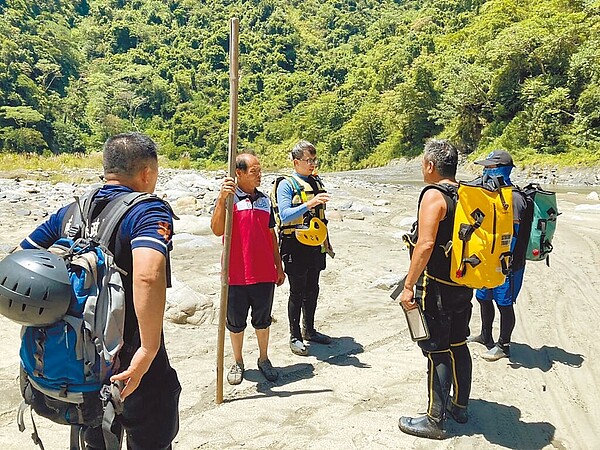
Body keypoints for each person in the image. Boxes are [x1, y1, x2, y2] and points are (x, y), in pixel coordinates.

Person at [19, 132, 181, 449]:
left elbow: (21, 259)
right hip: (132, 357)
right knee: (151, 433)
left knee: (94, 434)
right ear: (147, 172)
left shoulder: (73, 211)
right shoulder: (147, 211)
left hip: (79, 359)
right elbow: (148, 275)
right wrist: (147, 350)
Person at [398, 139, 473, 440]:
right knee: (459, 343)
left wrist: (408, 286)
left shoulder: (434, 195)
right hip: (464, 282)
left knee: (437, 350)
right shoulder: (467, 193)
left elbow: (426, 243)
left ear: (430, 165)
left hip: (438, 287)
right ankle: (461, 406)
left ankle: (435, 420)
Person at [211, 152, 285, 385]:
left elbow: (271, 235)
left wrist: (278, 265)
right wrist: (222, 199)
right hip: (236, 273)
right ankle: (238, 361)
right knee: (235, 322)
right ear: (239, 173)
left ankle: (264, 359)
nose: (259, 175)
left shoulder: (264, 200)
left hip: (263, 272)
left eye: (260, 171)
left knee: (263, 320)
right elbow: (216, 229)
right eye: (254, 172)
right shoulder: (230, 200)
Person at [468, 150, 528, 361]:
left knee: (504, 303)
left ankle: (504, 346)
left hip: (508, 264)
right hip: (488, 261)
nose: (484, 171)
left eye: (489, 167)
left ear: (501, 169)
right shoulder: (491, 194)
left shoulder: (515, 198)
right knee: (483, 298)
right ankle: (486, 335)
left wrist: (505, 262)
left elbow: (514, 235)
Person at [275, 140, 332, 357]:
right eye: (308, 160)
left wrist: (327, 240)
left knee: (313, 289)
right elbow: (285, 214)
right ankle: (295, 335)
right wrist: (310, 203)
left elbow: (321, 218)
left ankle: (310, 330)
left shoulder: (315, 183)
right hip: (295, 245)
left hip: (315, 244)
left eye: (314, 160)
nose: (312, 164)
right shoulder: (286, 184)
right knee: (297, 291)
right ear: (296, 161)